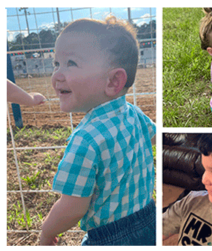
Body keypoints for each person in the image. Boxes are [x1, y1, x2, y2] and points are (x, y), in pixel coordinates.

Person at [40, 16, 156, 246]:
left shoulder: (85, 140)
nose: (56, 75)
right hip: (149, 217)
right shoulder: (133, 113)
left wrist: (46, 232)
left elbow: (72, 208)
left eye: (70, 63)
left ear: (113, 81)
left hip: (110, 238)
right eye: (56, 64)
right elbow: (152, 138)